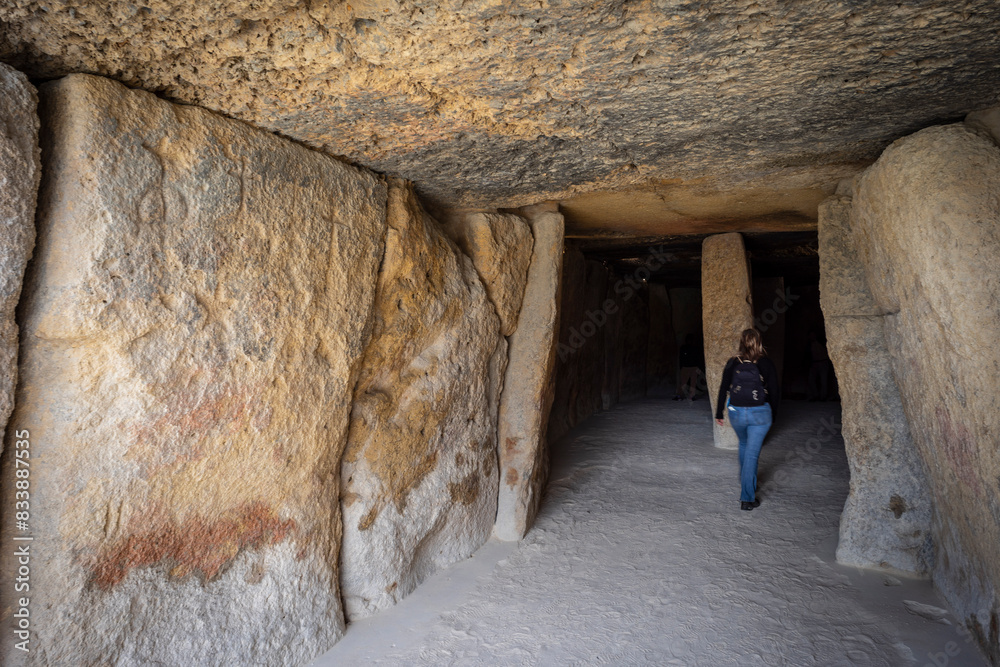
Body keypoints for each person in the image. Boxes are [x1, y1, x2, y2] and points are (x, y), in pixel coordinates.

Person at [714, 328, 780, 511]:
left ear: (741, 342)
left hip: (736, 412)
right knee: (752, 454)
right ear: (759, 341)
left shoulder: (732, 362)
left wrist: (719, 412)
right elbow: (774, 391)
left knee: (743, 445)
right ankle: (747, 498)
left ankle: (745, 481)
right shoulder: (766, 362)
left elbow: (723, 388)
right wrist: (773, 414)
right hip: (760, 412)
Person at [674, 334, 705, 402]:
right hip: (687, 367)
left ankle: (690, 396)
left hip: (692, 367)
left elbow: (698, 358)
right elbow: (681, 358)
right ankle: (681, 395)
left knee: (692, 383)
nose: (690, 341)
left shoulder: (694, 348)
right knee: (684, 382)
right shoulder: (684, 348)